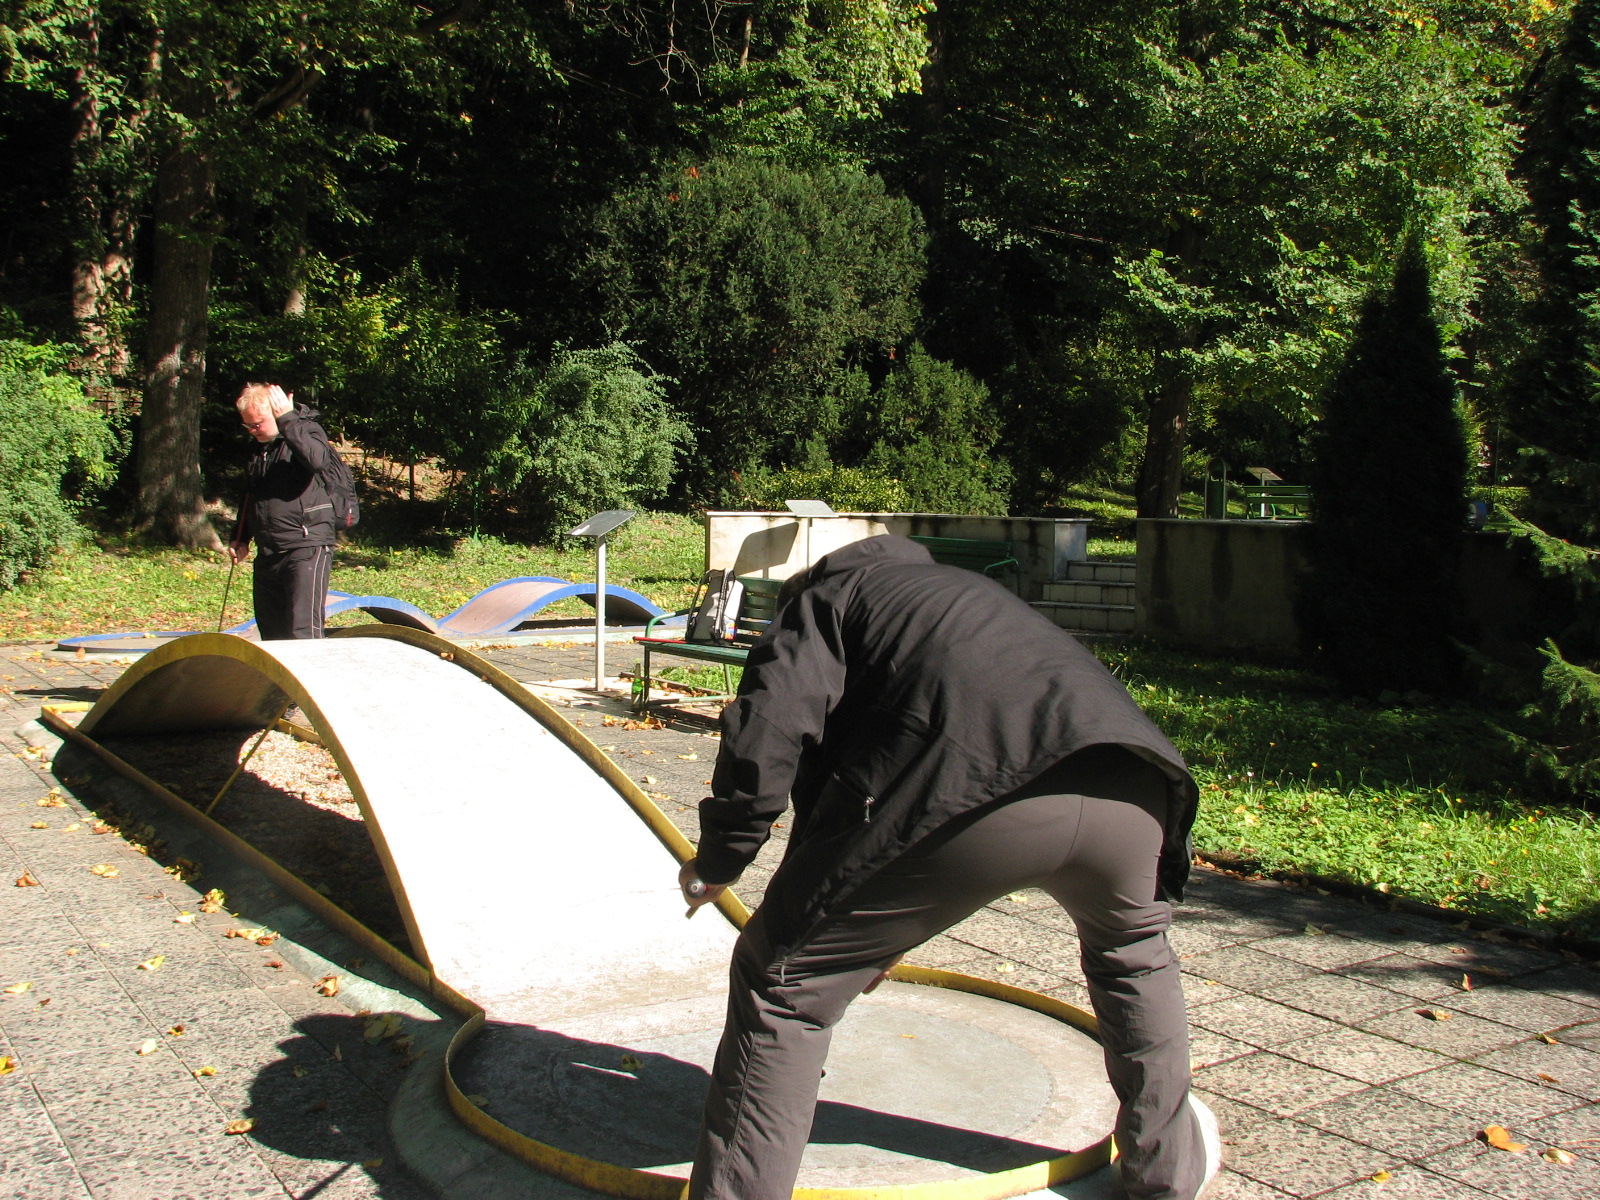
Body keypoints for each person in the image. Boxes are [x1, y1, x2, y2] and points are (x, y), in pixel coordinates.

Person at [677, 533, 1220, 1200]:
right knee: (1133, 957)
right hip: (1134, 787)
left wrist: (720, 860)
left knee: (780, 982)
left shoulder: (822, 600)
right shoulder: (959, 594)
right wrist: (853, 936)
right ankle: (1167, 1178)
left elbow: (769, 729)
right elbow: (832, 825)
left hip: (987, 787)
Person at [229, 383, 338, 641]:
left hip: (306, 546)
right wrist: (240, 537)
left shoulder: (306, 429)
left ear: (276, 413)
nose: (253, 431)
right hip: (269, 551)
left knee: (303, 632)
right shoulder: (259, 449)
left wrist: (288, 420)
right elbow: (251, 495)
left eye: (257, 424)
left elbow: (317, 460)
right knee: (273, 634)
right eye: (247, 426)